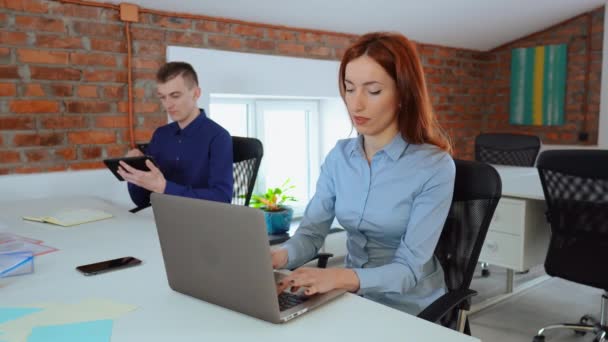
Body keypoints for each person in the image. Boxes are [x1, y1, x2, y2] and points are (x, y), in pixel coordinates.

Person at [273, 32, 455, 315]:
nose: (356, 104)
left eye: (373, 91)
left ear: (403, 95)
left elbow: (407, 270)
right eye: (349, 88)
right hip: (351, 299)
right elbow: (310, 234)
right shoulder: (339, 157)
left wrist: (336, 277)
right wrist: (277, 256)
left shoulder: (434, 166)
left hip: (411, 308)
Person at [118, 62, 233, 208]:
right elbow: (142, 201)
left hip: (201, 220)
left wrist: (164, 188)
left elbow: (222, 198)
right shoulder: (160, 135)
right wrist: (135, 171)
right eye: (163, 97)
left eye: (175, 96)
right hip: (159, 217)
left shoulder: (219, 137)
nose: (168, 105)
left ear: (196, 93)